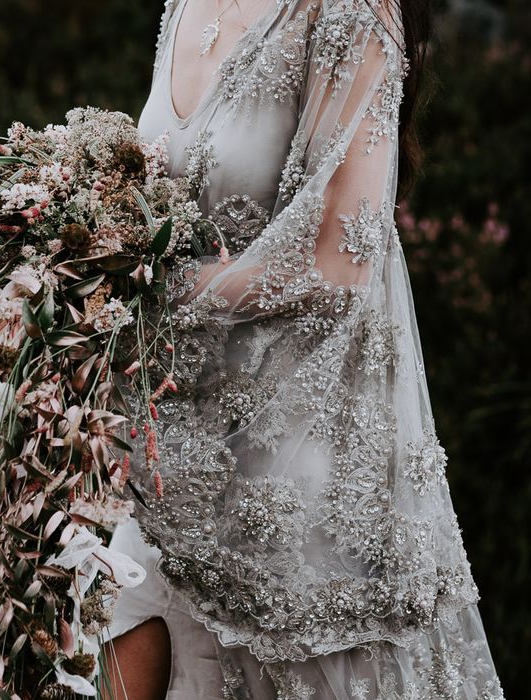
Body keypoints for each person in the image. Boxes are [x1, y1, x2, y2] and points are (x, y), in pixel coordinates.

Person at [100, 0, 505, 697]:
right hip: (165, 458)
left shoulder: (347, 12)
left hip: (292, 490)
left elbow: (337, 262)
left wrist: (143, 289)